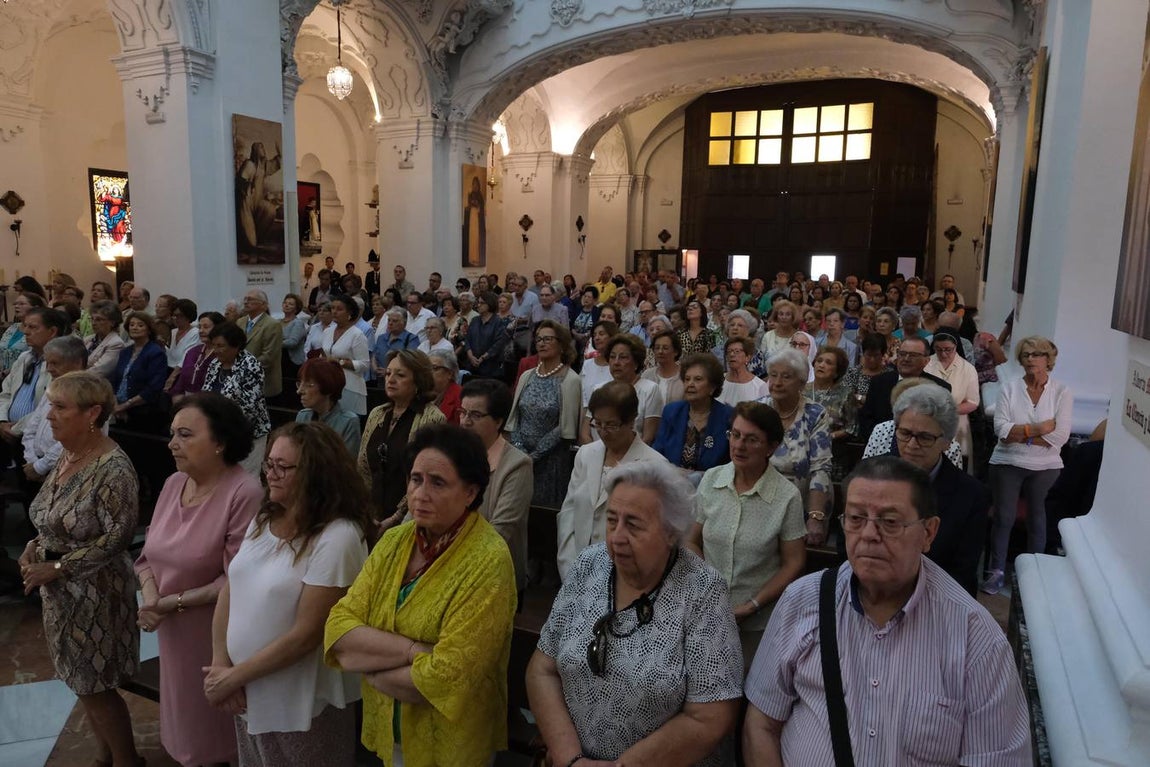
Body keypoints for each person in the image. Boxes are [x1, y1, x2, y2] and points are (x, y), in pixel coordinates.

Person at [743, 456, 1031, 766]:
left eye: (890, 522)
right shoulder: (802, 601)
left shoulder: (975, 638)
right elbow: (761, 723)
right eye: (856, 518)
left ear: (929, 532)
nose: (868, 534)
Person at [528, 460, 743, 766]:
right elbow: (542, 670)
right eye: (611, 520)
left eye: (633, 525)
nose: (616, 536)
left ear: (671, 532)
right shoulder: (589, 565)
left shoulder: (703, 591)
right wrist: (570, 758)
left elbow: (710, 716)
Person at [325, 423, 517, 765]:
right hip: (390, 731)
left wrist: (371, 669)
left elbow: (448, 677)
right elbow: (338, 629)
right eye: (416, 479)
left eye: (438, 482)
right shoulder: (394, 541)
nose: (420, 494)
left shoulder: (489, 560)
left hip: (449, 744)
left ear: (470, 492)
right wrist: (414, 651)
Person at [205, 422, 373, 766]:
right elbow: (232, 588)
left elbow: (307, 635)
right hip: (248, 690)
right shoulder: (265, 517)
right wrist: (221, 664)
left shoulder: (338, 537)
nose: (270, 475)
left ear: (316, 474)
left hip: (301, 703)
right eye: (269, 463)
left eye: (283, 467)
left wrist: (234, 677)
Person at [18, 372, 144, 767]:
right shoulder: (69, 455)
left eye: (60, 407)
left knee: (96, 686)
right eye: (50, 405)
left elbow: (117, 539)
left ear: (92, 413)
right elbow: (53, 516)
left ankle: (126, 761)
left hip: (96, 592)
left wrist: (57, 565)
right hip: (60, 591)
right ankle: (106, 755)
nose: (49, 415)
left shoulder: (113, 468)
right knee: (81, 681)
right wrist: (34, 546)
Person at [134, 393, 263, 766]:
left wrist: (169, 603)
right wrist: (151, 598)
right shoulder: (175, 483)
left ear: (220, 442)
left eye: (186, 434)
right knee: (183, 724)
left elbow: (237, 578)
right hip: (172, 631)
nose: (173, 443)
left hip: (215, 635)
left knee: (215, 733)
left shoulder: (244, 493)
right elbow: (147, 555)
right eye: (173, 433)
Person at [689, 402, 805, 665]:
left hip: (758, 623)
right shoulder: (711, 479)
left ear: (771, 447)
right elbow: (691, 540)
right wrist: (708, 586)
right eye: (735, 435)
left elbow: (794, 562)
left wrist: (752, 605)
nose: (739, 445)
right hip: (707, 612)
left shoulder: (786, 496)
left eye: (751, 439)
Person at [867, 385, 991, 595]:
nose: (911, 445)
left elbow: (963, 573)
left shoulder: (972, 496)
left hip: (936, 598)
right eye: (905, 433)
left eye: (925, 437)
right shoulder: (870, 477)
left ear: (947, 442)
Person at [983, 336, 1073, 595]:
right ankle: (996, 571)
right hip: (1007, 461)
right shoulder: (1009, 389)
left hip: (1046, 466)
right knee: (1004, 517)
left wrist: (1021, 434)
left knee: (1037, 517)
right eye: (1026, 355)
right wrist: (1039, 429)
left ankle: (1033, 574)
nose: (1031, 359)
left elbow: (1060, 437)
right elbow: (1001, 430)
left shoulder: (1062, 392)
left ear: (1048, 359)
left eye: (1037, 354)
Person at [557, 381, 668, 579]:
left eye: (611, 425)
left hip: (624, 574)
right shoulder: (585, 454)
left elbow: (652, 531)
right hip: (576, 569)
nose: (602, 431)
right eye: (597, 423)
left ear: (631, 420)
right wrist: (569, 567)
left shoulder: (654, 465)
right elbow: (569, 512)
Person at [457, 378, 532, 594]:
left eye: (475, 415)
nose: (465, 422)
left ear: (498, 422)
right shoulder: (451, 454)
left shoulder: (517, 465)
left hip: (494, 574)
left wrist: (451, 560)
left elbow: (500, 530)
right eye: (462, 412)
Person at [359, 349, 445, 529]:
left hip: (409, 518)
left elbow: (425, 478)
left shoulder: (432, 418)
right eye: (388, 373)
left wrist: (396, 518)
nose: (390, 379)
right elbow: (363, 467)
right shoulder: (377, 413)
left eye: (400, 375)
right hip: (370, 514)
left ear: (418, 381)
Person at [507, 319, 581, 506]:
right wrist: (520, 448)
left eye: (548, 339)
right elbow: (515, 416)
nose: (541, 343)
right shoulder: (527, 376)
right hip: (520, 457)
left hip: (551, 462)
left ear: (562, 345)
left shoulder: (570, 380)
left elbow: (565, 426)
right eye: (539, 339)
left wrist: (535, 455)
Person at [764, 349, 833, 545]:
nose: (777, 382)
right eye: (773, 375)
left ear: (801, 384)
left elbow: (820, 468)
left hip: (803, 502)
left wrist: (815, 516)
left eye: (786, 377)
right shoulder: (757, 410)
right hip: (761, 499)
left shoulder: (815, 414)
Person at [203, 322, 271, 476]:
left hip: (248, 433)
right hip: (219, 432)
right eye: (214, 345)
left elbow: (249, 407)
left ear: (236, 345)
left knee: (245, 477)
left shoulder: (250, 365)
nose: (216, 350)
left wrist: (224, 427)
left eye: (221, 346)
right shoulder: (214, 364)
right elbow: (206, 394)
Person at [653, 353, 733, 481]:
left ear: (712, 387)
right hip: (673, 483)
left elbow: (731, 464)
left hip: (713, 484)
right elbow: (657, 453)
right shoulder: (672, 412)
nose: (690, 384)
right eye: (687, 379)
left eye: (698, 379)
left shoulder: (728, 416)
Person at [857, 335, 951, 439]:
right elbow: (866, 419)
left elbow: (941, 428)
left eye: (913, 355)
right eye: (902, 354)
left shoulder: (939, 388)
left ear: (926, 361)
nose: (906, 359)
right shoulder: (879, 382)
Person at [582, 334, 662, 445]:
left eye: (623, 357)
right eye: (612, 357)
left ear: (636, 363)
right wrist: (597, 453)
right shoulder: (599, 389)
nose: (616, 362)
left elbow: (648, 437)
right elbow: (585, 433)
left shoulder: (650, 389)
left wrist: (619, 454)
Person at [925, 329, 980, 461]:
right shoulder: (926, 364)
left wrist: (948, 410)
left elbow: (973, 402)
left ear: (956, 346)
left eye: (948, 349)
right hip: (928, 421)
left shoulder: (968, 369)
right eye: (938, 349)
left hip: (957, 424)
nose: (943, 354)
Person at [110, 312, 170, 428]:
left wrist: (125, 406)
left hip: (144, 411)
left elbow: (154, 387)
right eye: (132, 325)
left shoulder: (156, 353)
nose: (135, 328)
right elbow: (116, 380)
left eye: (140, 325)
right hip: (119, 409)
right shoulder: (125, 351)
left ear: (149, 330)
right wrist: (116, 405)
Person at [295, 357, 362, 456]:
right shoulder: (303, 416)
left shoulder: (348, 422)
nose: (299, 391)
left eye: (309, 385)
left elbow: (347, 462)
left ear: (328, 386)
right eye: (299, 383)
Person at [323, 295, 371, 417]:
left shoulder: (357, 335)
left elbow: (365, 364)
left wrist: (340, 362)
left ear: (350, 313)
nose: (334, 311)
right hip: (330, 384)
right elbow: (325, 354)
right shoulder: (327, 331)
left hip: (351, 387)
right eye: (332, 308)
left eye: (339, 309)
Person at [170, 311, 225, 402]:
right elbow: (181, 383)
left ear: (218, 328)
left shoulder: (222, 354)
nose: (201, 331)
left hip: (210, 402)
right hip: (185, 402)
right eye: (200, 327)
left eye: (206, 327)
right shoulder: (193, 352)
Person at [805, 345, 855, 441]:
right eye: (819, 361)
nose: (821, 365)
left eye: (828, 363)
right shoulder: (801, 390)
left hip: (831, 445)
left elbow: (851, 428)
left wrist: (829, 437)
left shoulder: (845, 394)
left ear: (837, 371)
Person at [241, 290, 284, 398]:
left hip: (262, 381)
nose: (246, 302)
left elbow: (268, 356)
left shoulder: (272, 325)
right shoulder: (240, 322)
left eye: (250, 299)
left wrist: (243, 368)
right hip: (240, 381)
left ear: (263, 304)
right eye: (245, 299)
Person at [0, 291, 45, 378]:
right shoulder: (12, 327)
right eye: (15, 304)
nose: (16, 306)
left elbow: (33, 356)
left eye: (22, 304)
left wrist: (5, 374)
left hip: (23, 375)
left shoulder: (39, 330)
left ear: (36, 308)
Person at [464, 291, 508, 378]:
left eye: (482, 303)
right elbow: (467, 339)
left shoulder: (498, 322)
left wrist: (482, 358)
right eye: (478, 302)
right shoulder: (475, 320)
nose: (478, 305)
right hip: (471, 365)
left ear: (490, 304)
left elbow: (498, 344)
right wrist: (471, 356)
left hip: (490, 367)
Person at [718, 336, 769, 407]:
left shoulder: (760, 386)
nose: (732, 354)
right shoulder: (718, 381)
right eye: (729, 351)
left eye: (737, 351)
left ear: (747, 357)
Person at [83, 300, 127, 380]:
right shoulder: (87, 339)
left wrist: (73, 377)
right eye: (92, 319)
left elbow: (99, 371)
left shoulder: (116, 343)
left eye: (99, 319)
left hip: (99, 383)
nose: (93, 323)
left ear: (112, 322)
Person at [641, 329, 684, 405]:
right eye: (657, 348)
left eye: (665, 348)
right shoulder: (647, 375)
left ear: (676, 352)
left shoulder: (684, 376)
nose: (660, 351)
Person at [427, 348, 462, 424]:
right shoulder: (421, 394)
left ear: (450, 373)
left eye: (434, 368)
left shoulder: (460, 398)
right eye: (426, 368)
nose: (428, 372)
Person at [167, 298, 201, 372]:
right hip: (169, 369)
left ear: (188, 316)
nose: (175, 318)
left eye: (179, 315)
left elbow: (186, 358)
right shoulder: (173, 332)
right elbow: (170, 357)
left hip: (183, 371)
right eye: (174, 315)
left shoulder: (195, 333)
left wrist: (172, 377)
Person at [280, 293, 308, 378]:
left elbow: (293, 342)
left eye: (290, 304)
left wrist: (275, 343)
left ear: (296, 309)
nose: (286, 305)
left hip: (292, 362)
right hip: (279, 360)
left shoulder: (297, 323)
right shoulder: (277, 322)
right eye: (285, 303)